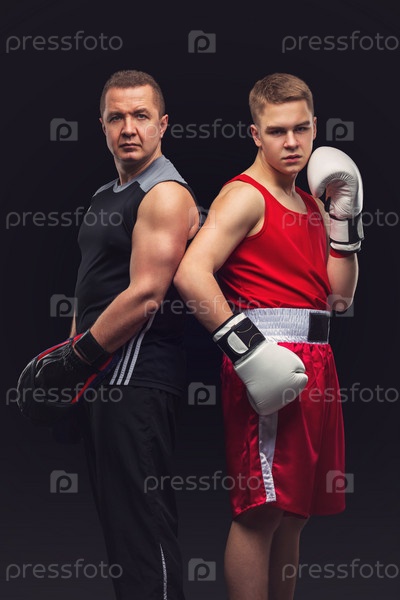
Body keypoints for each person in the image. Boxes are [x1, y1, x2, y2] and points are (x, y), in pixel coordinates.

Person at [174, 72, 363, 599]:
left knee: (295, 513)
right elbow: (191, 273)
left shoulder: (314, 202)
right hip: (268, 360)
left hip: (318, 362)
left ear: (315, 127)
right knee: (261, 510)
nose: (292, 142)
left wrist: (344, 224)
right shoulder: (244, 196)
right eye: (277, 131)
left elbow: (339, 298)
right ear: (256, 134)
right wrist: (247, 350)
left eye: (301, 129)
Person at [52, 70, 198, 599]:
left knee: (143, 529)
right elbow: (89, 287)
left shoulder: (164, 194)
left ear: (163, 124)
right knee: (119, 531)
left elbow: (145, 296)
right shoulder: (105, 195)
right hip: (101, 373)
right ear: (102, 125)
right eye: (117, 117)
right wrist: (67, 368)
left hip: (136, 377)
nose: (128, 128)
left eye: (141, 116)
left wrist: (76, 362)